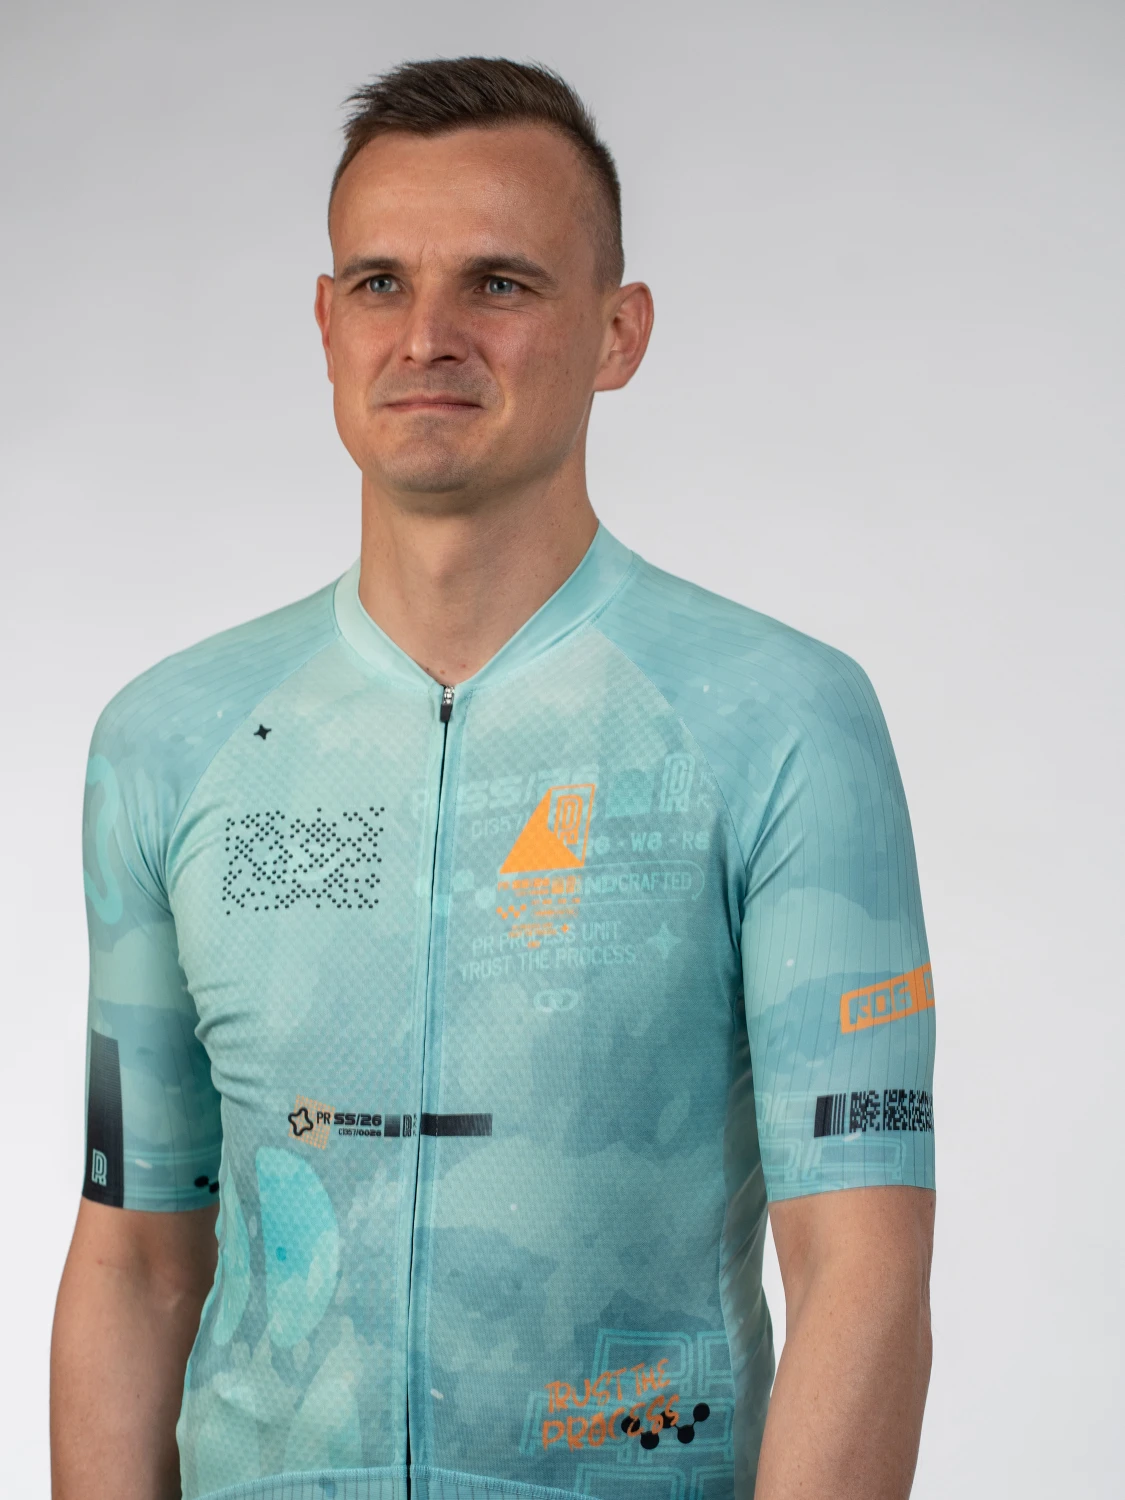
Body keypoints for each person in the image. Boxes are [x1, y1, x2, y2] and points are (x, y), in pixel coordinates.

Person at [50, 57, 936, 1500]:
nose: (429, 336)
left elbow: (863, 1267)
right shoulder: (170, 738)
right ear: (326, 323)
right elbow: (135, 1254)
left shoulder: (780, 721)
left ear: (617, 332)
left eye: (500, 284)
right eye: (381, 283)